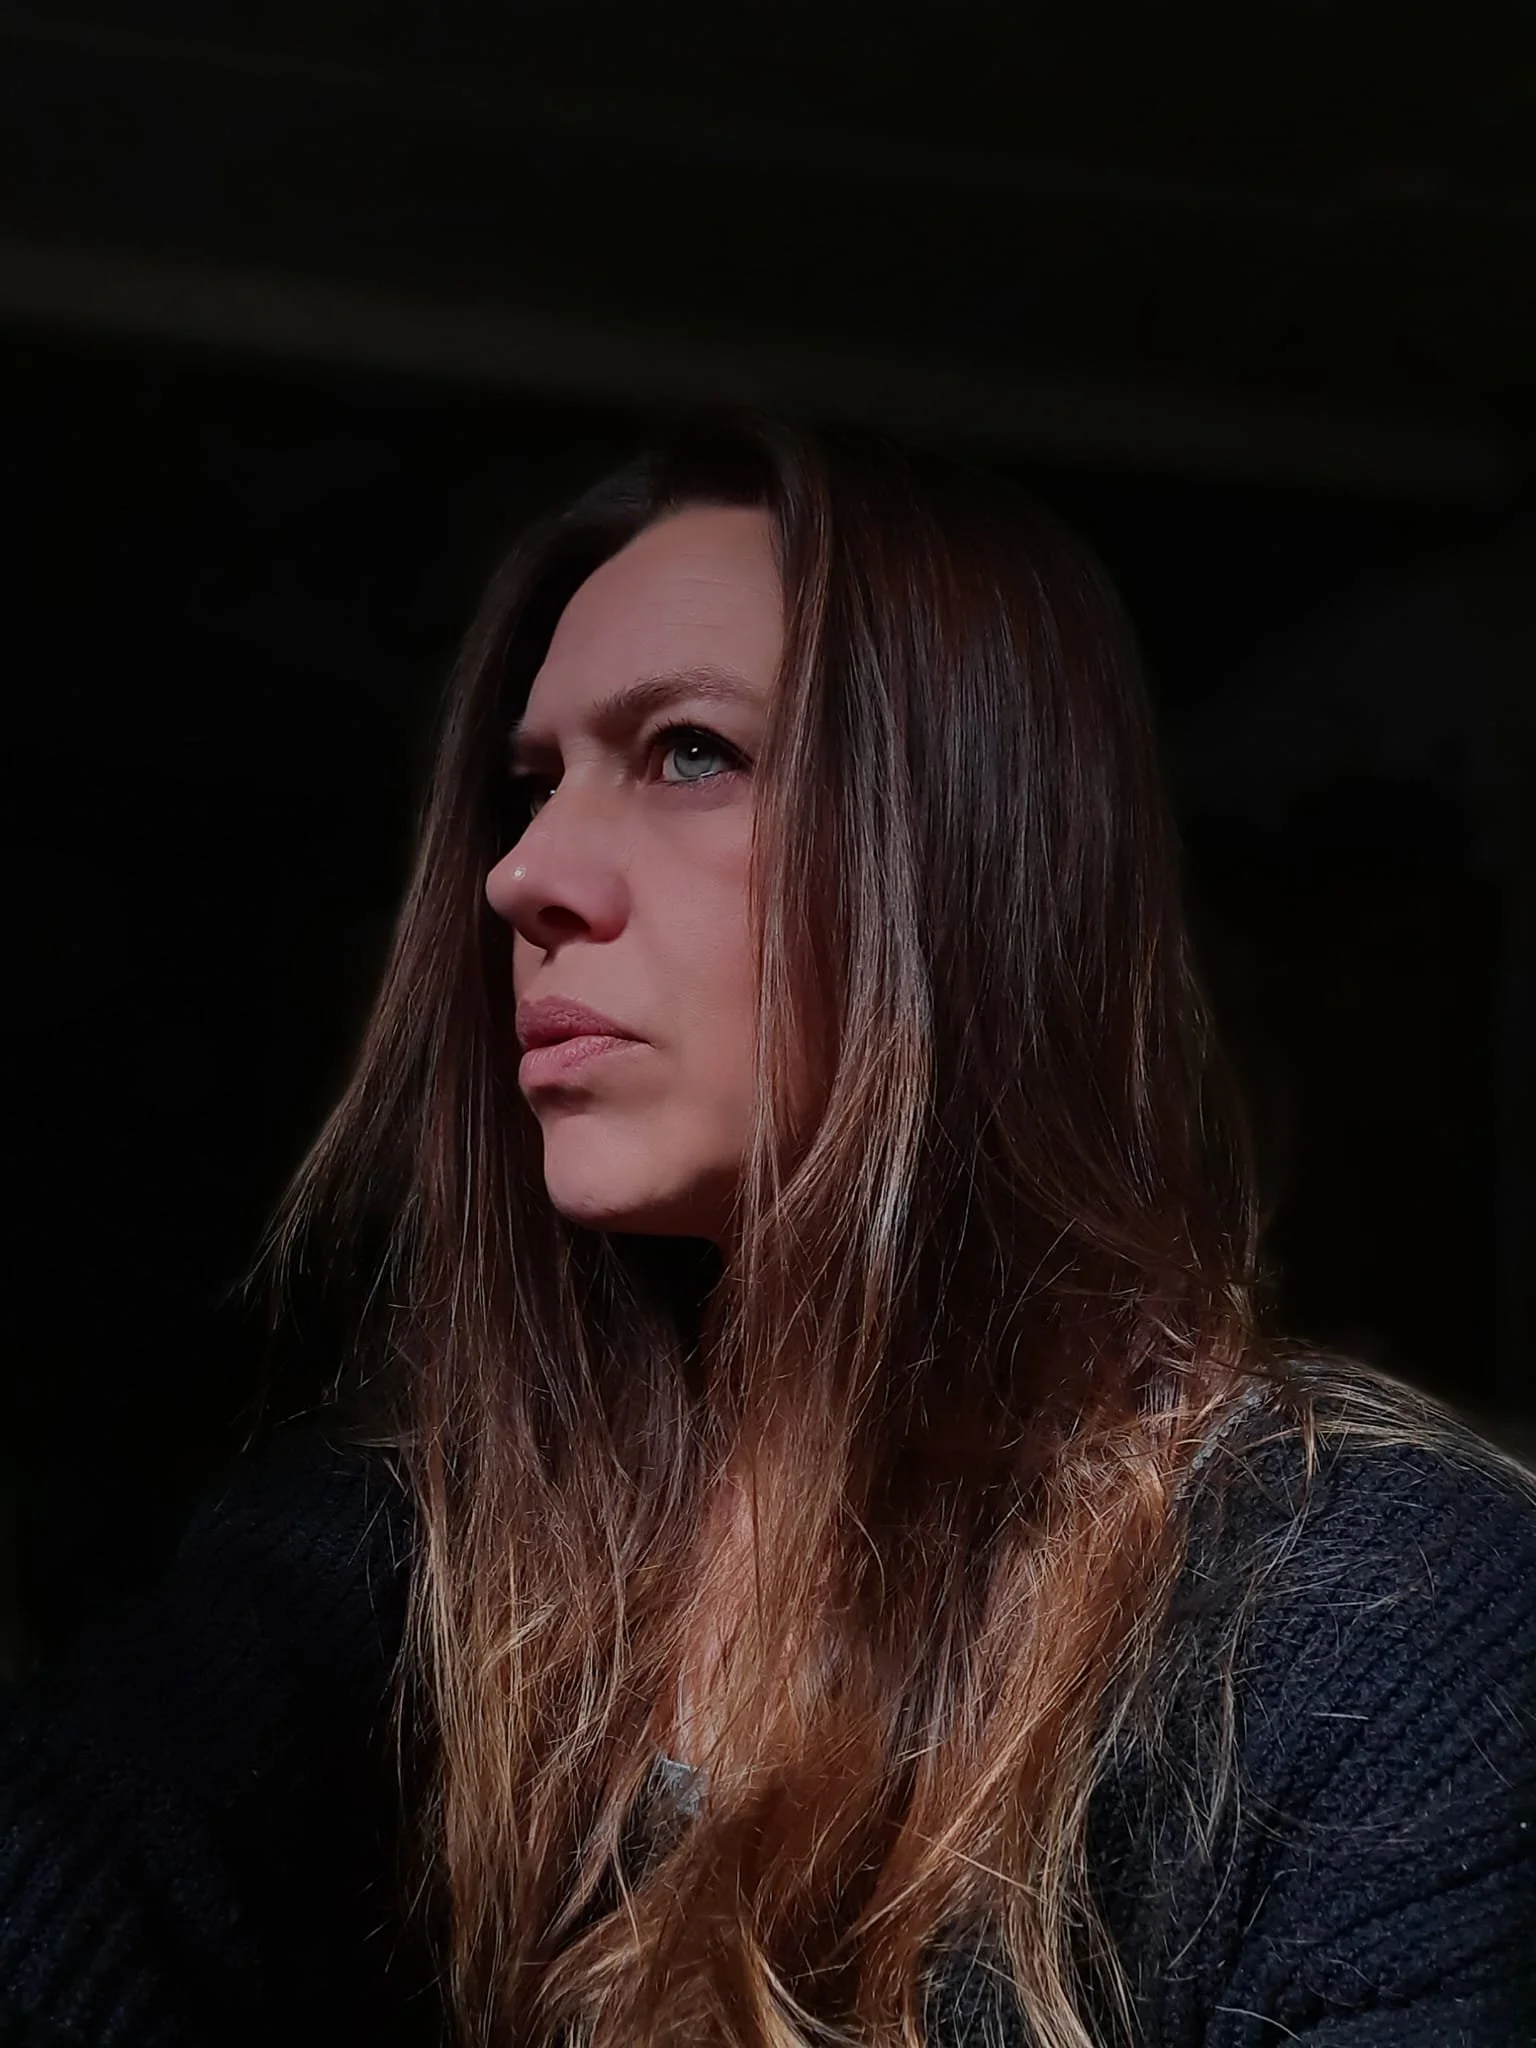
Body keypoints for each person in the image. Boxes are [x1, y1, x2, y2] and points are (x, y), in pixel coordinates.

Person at [1, 418, 1532, 2048]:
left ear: (975, 850)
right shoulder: (383, 1579)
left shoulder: (1368, 1618)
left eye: (687, 752)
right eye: (529, 785)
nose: (521, 874)